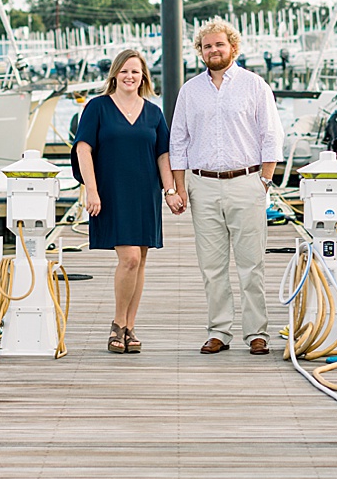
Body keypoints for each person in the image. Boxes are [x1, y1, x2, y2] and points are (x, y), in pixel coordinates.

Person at [168, 19, 284, 354]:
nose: (213, 50)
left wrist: (264, 179)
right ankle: (219, 330)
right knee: (212, 266)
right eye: (207, 46)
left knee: (251, 264)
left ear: (233, 46)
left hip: (247, 182)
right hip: (202, 185)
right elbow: (179, 142)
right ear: (200, 52)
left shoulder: (254, 85)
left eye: (219, 44)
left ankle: (256, 332)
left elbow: (271, 136)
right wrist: (179, 188)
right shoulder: (190, 91)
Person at [74, 49, 180, 354]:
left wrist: (170, 192)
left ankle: (130, 328)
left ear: (143, 76)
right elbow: (83, 150)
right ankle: (118, 324)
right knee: (130, 258)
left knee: (141, 260)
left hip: (145, 192)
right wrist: (91, 191)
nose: (130, 77)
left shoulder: (153, 112)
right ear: (115, 75)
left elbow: (163, 155)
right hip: (111, 192)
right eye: (124, 71)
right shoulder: (97, 108)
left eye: (135, 71)